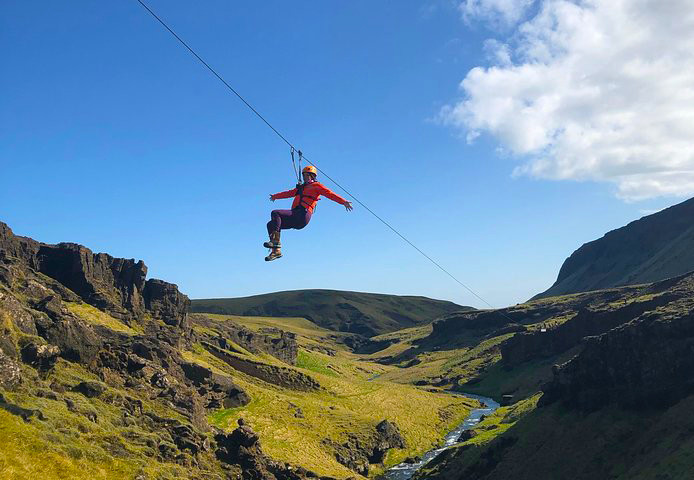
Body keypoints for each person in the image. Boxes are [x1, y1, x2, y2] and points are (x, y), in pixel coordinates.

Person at [265, 165, 353, 261]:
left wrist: (343, 201)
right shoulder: (301, 188)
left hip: (302, 215)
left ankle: (275, 242)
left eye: (307, 175)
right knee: (270, 224)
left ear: (312, 176)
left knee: (275, 213)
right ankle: (276, 251)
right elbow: (288, 193)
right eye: (304, 175)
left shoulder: (317, 186)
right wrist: (275, 196)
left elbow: (330, 194)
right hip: (295, 215)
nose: (305, 177)